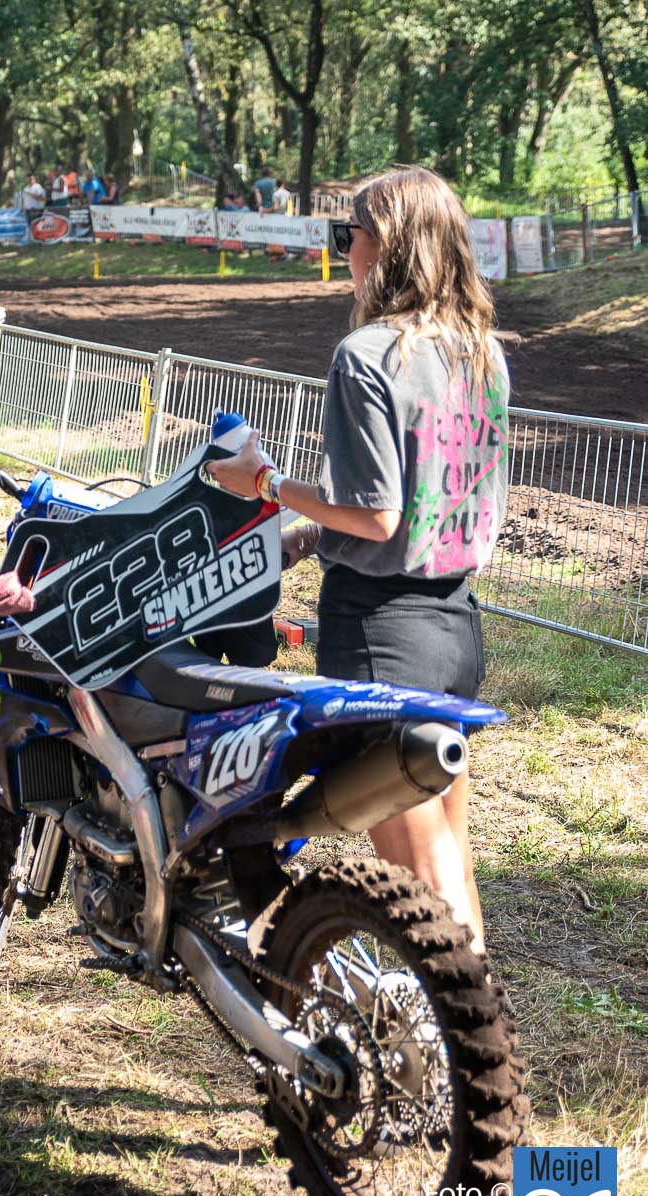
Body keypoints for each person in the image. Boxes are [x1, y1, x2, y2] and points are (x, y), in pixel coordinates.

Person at [208, 165, 507, 955]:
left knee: (422, 889)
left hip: (381, 633)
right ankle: (471, 1017)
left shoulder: (366, 354)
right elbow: (425, 504)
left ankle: (463, 1026)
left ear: (389, 246)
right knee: (448, 861)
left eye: (349, 233)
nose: (343, 249)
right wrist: (316, 535)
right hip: (455, 626)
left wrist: (264, 484)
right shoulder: (481, 353)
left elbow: (376, 514)